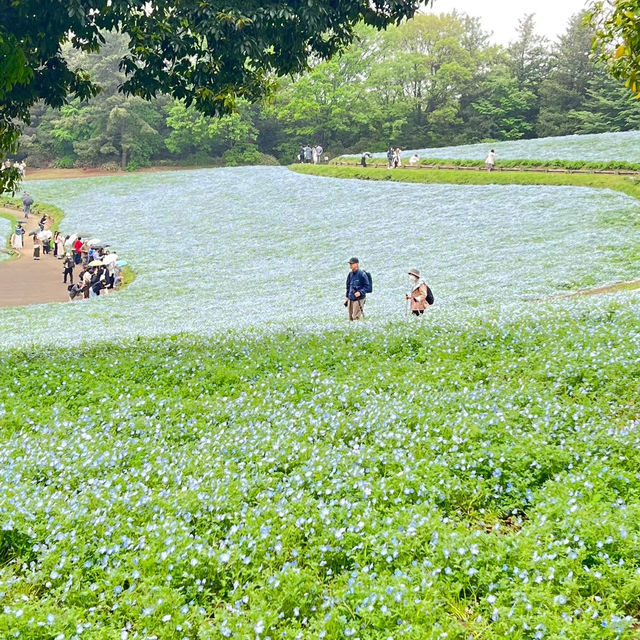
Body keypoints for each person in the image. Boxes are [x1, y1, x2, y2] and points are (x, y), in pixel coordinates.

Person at [345, 257, 369, 321]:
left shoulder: (362, 274)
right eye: (350, 264)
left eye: (352, 264)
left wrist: (360, 292)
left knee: (355, 317)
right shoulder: (350, 274)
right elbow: (348, 286)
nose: (350, 265)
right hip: (351, 298)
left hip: (359, 299)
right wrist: (347, 297)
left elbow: (367, 287)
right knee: (350, 318)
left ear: (357, 264)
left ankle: (357, 329)